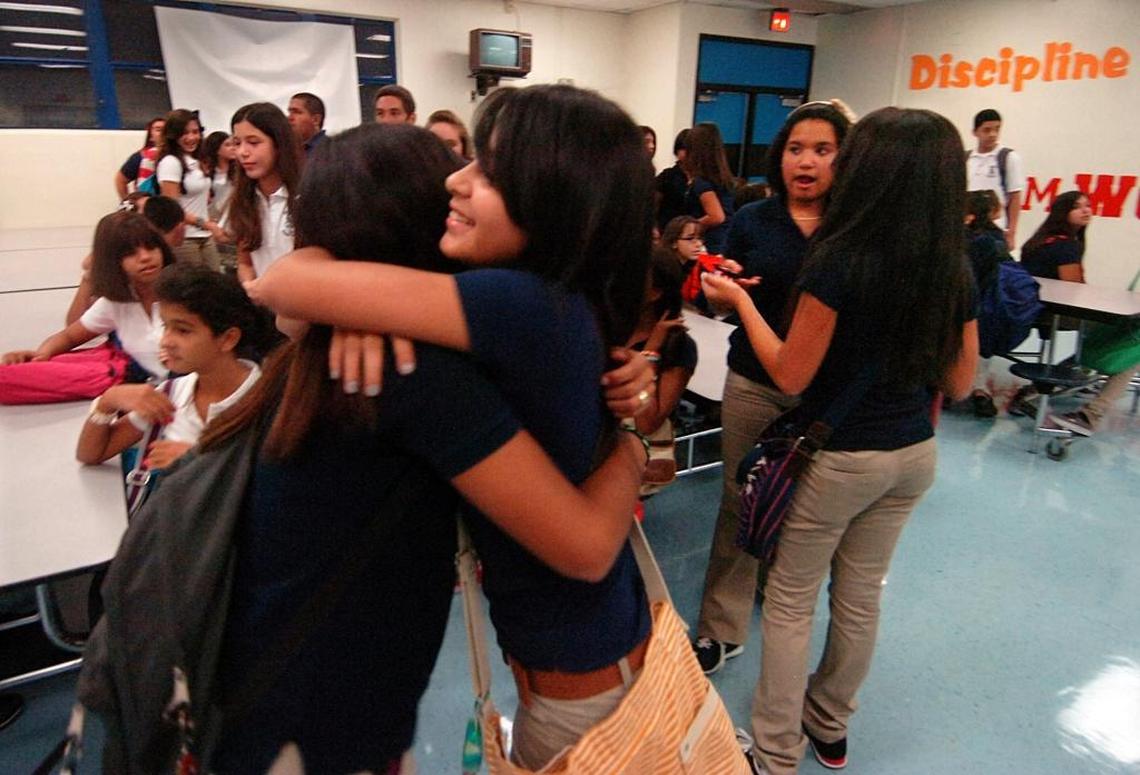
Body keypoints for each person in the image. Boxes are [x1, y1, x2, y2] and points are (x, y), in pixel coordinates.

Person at [205, 113, 651, 772]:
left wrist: (634, 439)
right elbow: (286, 292)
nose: (459, 184)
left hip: (272, 696)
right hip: (334, 716)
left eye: (484, 170)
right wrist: (638, 442)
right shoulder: (410, 358)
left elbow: (282, 290)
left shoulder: (447, 332)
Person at [701, 107, 978, 775]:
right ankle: (828, 727)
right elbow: (962, 381)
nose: (818, 163)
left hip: (842, 456)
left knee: (792, 600)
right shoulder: (951, 265)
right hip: (913, 454)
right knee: (860, 594)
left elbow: (793, 371)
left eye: (837, 151)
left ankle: (771, 751)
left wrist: (741, 305)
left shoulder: (840, 258)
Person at [693, 100, 851, 676]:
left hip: (825, 392)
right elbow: (717, 280)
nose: (805, 162)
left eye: (822, 149)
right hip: (756, 381)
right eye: (794, 149)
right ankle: (720, 625)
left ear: (844, 158)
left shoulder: (853, 224)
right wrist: (719, 286)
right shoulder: (754, 218)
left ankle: (777, 589)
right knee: (742, 498)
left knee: (806, 510)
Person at [76, 264, 262, 469]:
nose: (166, 341)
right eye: (165, 326)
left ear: (228, 339)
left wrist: (196, 460)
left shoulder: (267, 401)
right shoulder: (171, 395)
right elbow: (91, 453)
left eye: (183, 330)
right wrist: (108, 401)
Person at [2, 211, 173, 379]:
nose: (145, 257)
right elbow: (68, 336)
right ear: (112, 262)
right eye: (130, 253)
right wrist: (40, 356)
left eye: (151, 247)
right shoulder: (114, 304)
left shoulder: (183, 291)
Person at [227, 102, 301, 283]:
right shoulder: (245, 201)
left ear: (278, 145)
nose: (243, 152)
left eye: (253, 142)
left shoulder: (306, 197)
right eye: (237, 143)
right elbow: (245, 263)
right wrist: (250, 286)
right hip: (263, 305)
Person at [156, 109, 226, 268]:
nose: (191, 138)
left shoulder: (198, 160)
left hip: (204, 235)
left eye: (195, 132)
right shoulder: (170, 162)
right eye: (184, 133)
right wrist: (206, 224)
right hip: (185, 238)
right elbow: (173, 209)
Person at [964, 189, 1010, 417]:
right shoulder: (997, 241)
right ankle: (979, 390)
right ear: (994, 211)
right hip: (987, 310)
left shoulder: (957, 238)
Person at [967, 108, 1025, 250]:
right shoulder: (966, 158)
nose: (993, 135)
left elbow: (1015, 196)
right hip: (969, 227)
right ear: (975, 132)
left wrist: (1011, 232)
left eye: (997, 129)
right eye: (986, 130)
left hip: (996, 227)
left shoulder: (1008, 157)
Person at [683, 122, 736, 254]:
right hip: (724, 241)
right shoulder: (722, 178)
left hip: (709, 245)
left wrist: (688, 228)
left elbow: (717, 216)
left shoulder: (701, 182)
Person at [114, 117, 165, 201]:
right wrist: (128, 202)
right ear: (150, 136)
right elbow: (120, 180)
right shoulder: (140, 157)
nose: (163, 133)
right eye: (158, 130)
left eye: (166, 130)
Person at [656, 128, 690, 230]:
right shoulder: (667, 176)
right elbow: (653, 204)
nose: (688, 153)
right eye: (684, 149)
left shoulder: (702, 178)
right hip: (667, 229)